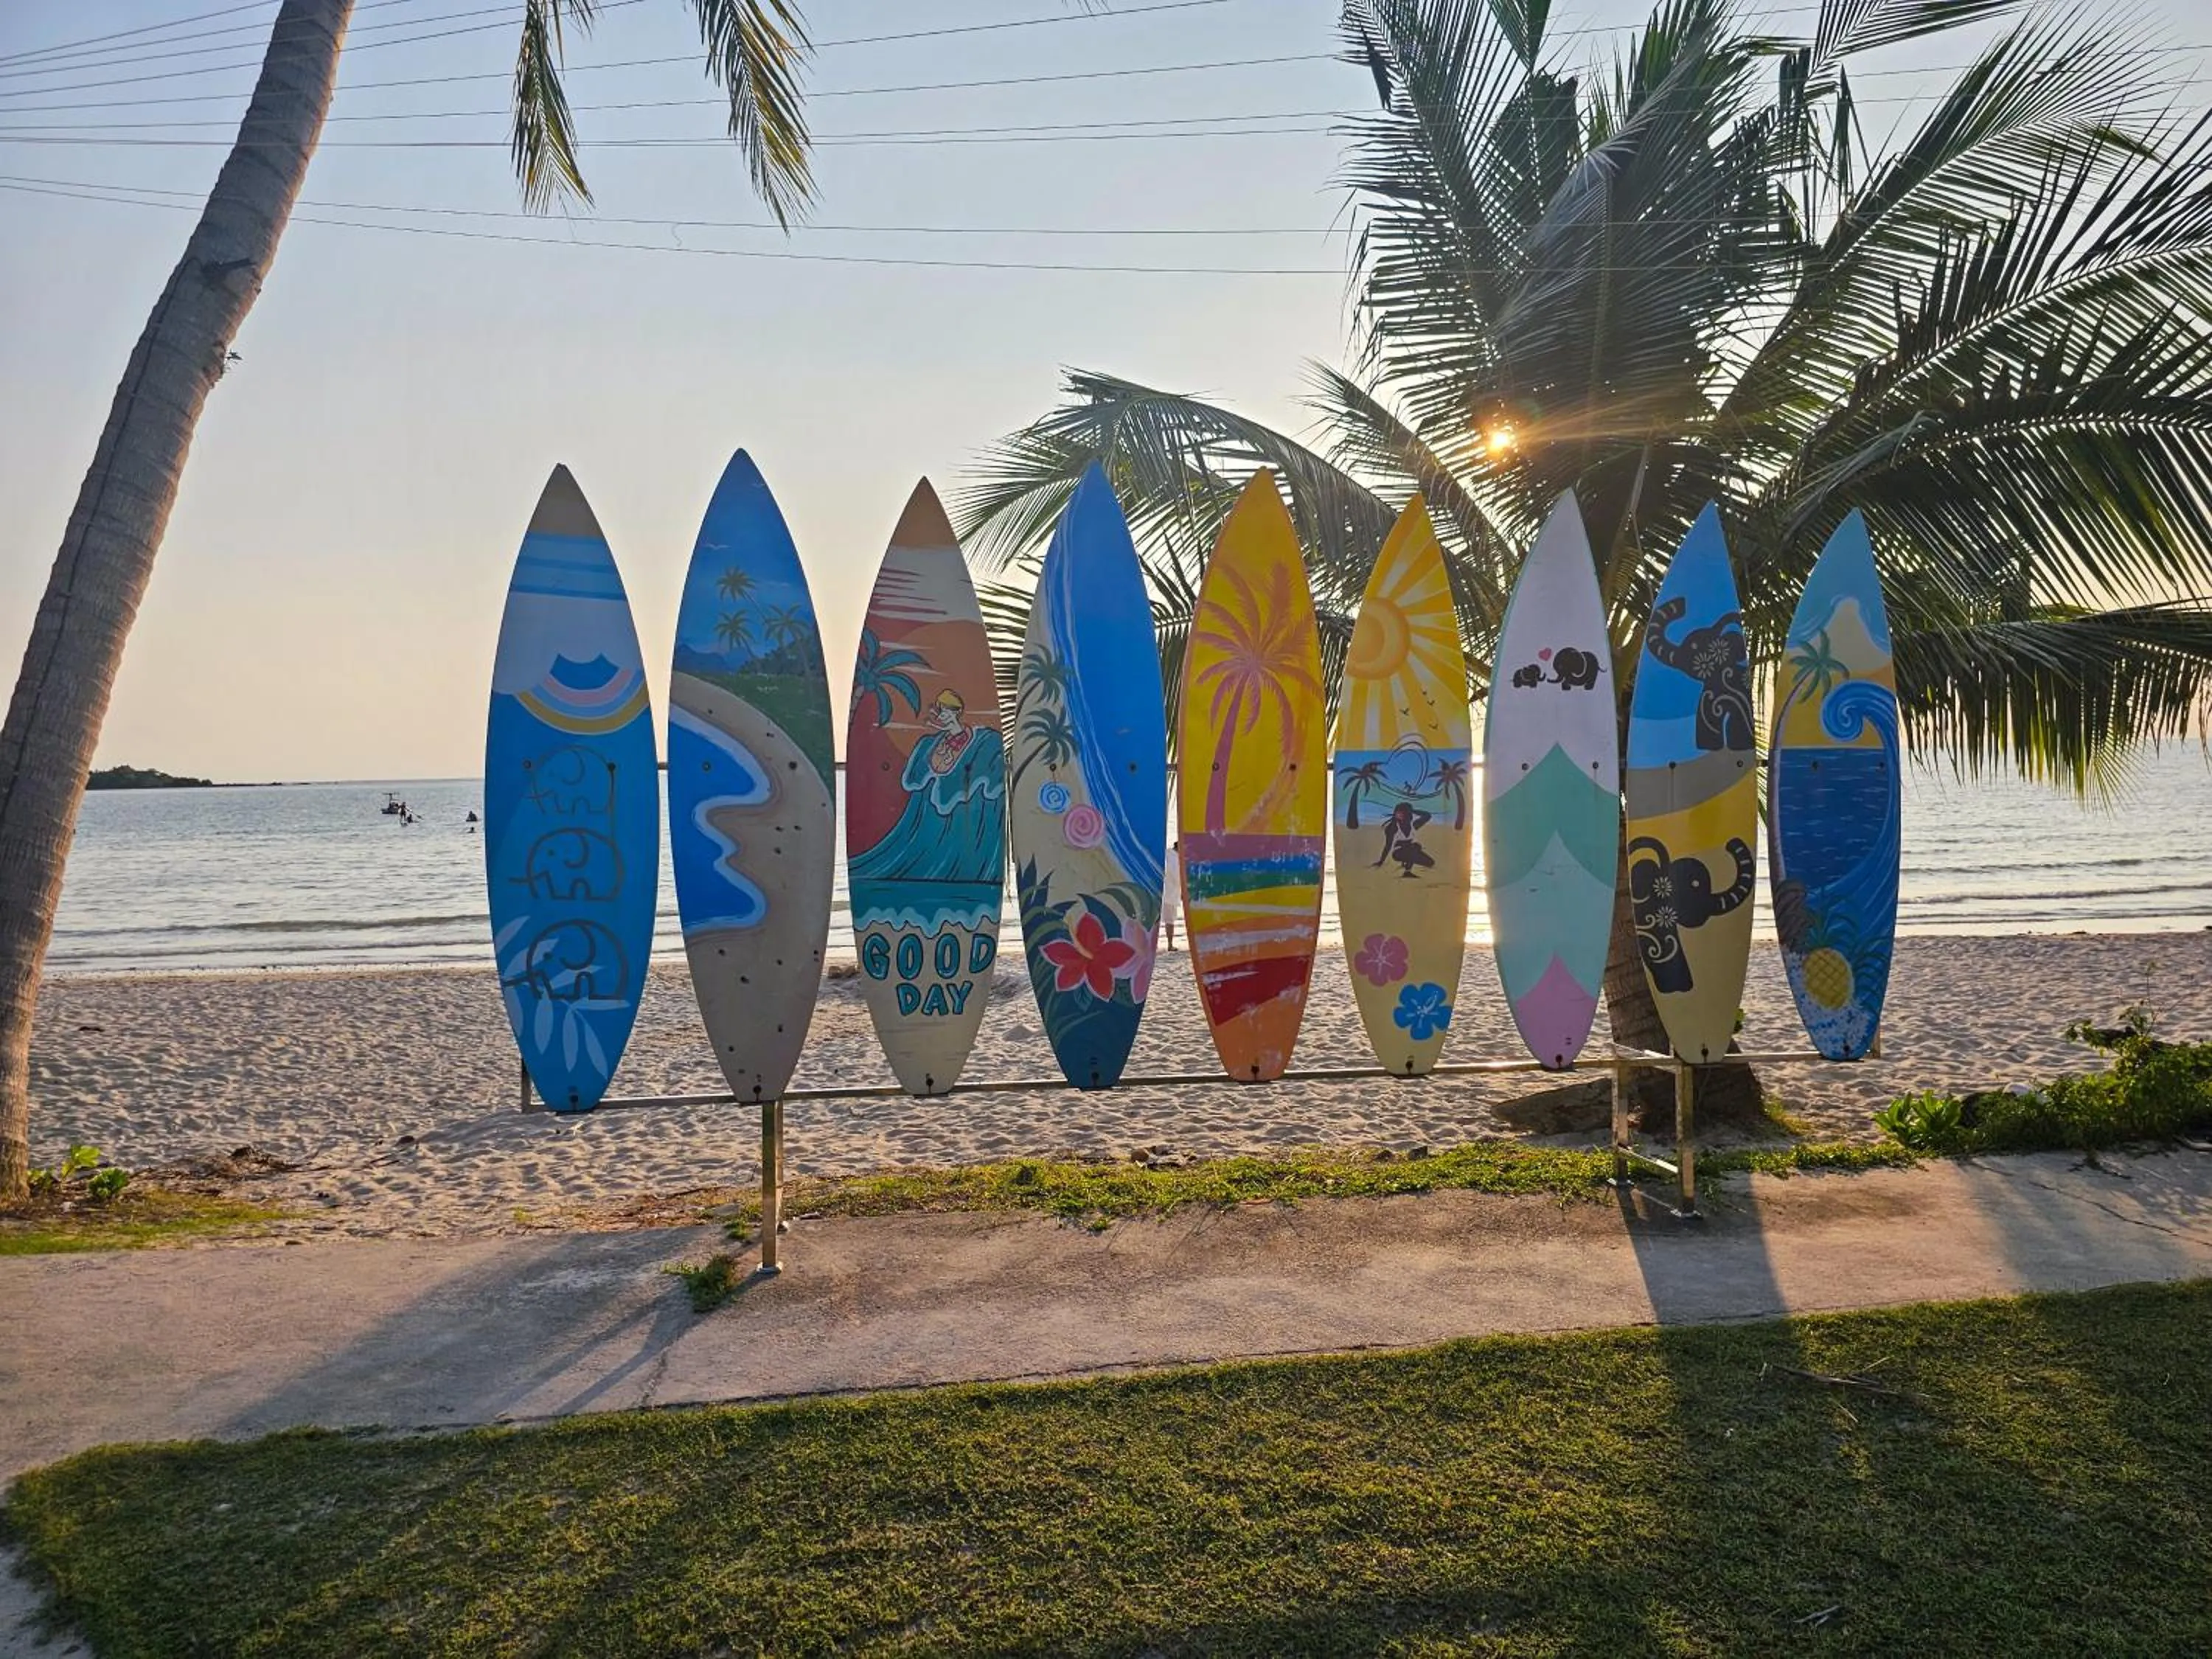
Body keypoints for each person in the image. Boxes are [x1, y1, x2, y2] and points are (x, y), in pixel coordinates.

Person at [1374, 801, 1434, 877]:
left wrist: (1412, 810)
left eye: (1402, 812)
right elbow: (1388, 845)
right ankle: (1407, 872)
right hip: (1398, 853)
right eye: (1397, 812)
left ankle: (1408, 861)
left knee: (1430, 863)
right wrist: (1381, 861)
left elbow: (1427, 815)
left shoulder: (1414, 825)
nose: (1399, 814)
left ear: (1407, 814)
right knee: (1414, 847)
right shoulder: (1392, 828)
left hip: (1412, 851)